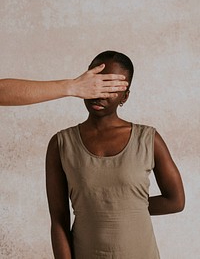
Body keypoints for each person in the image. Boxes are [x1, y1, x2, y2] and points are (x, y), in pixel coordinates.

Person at [46, 51, 185, 259]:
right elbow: (58, 219)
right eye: (97, 83)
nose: (100, 93)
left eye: (111, 88)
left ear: (125, 96)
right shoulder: (61, 144)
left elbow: (176, 201)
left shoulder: (148, 139)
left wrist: (127, 208)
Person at [0, 64, 128, 106]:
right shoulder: (62, 141)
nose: (100, 96)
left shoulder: (146, 137)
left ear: (125, 96)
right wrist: (73, 87)